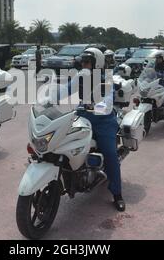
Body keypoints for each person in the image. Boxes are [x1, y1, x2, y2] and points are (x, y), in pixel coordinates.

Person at [63, 48, 125, 212]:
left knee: (111, 154)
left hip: (103, 121)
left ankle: (117, 194)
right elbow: (65, 90)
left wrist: (98, 105)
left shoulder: (106, 80)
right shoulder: (80, 77)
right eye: (82, 62)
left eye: (87, 62)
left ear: (96, 64)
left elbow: (108, 100)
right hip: (82, 116)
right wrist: (46, 99)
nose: (83, 65)